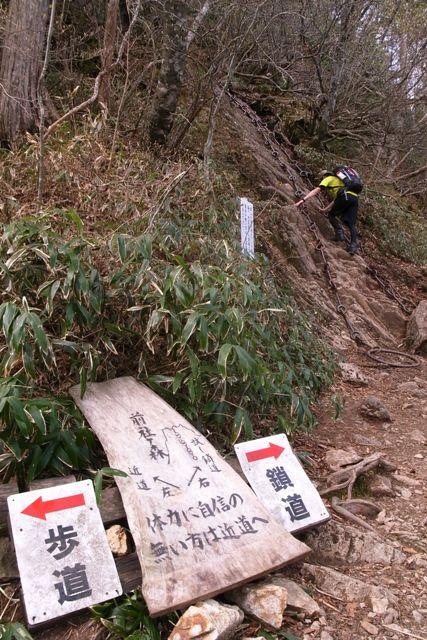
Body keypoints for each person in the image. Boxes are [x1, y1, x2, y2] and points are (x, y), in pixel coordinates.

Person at [295, 168, 359, 255]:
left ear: (324, 176)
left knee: (332, 216)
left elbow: (316, 190)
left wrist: (303, 200)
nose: (322, 180)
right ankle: (353, 247)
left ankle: (340, 235)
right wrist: (325, 209)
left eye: (322, 178)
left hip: (344, 197)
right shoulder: (343, 183)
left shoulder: (328, 179)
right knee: (351, 224)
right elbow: (336, 199)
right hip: (354, 198)